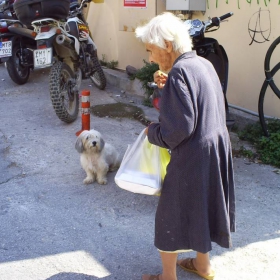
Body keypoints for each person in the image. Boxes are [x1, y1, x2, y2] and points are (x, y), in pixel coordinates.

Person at [135, 12, 235, 280]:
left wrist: (152, 132)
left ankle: (168, 277)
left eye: (151, 51)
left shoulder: (180, 72)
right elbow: (198, 101)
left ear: (167, 45)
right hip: (215, 150)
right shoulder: (203, 64)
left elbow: (177, 130)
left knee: (170, 215)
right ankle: (203, 267)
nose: (151, 59)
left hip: (192, 155)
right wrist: (167, 89)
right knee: (204, 209)